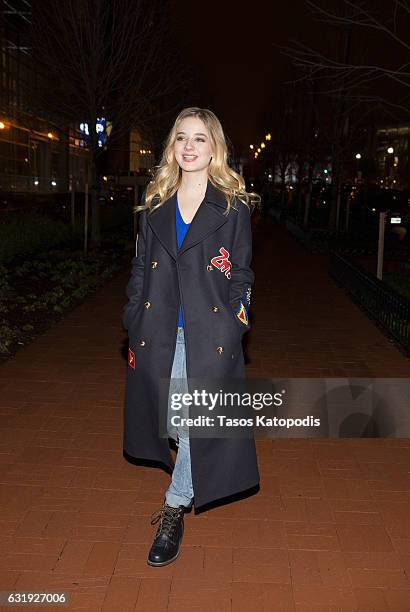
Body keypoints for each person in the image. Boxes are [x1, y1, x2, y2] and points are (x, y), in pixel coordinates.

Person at [122, 107, 260, 567]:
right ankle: (185, 485)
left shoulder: (232, 206)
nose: (189, 146)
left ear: (214, 148)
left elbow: (241, 271)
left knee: (193, 422)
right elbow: (141, 267)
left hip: (208, 333)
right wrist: (132, 316)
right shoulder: (156, 203)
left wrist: (234, 321)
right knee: (179, 424)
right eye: (181, 137)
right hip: (159, 331)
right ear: (171, 147)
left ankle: (174, 507)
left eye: (200, 138)